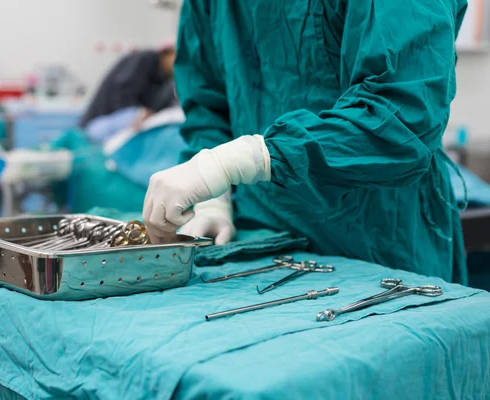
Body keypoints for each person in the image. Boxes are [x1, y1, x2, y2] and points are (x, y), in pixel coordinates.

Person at [142, 0, 469, 283]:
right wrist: (214, 198)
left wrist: (244, 160)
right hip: (258, 235)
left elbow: (401, 118)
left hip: (379, 240)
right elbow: (207, 101)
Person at [78, 44, 178, 129]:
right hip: (103, 120)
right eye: (178, 57)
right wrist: (138, 114)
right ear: (167, 53)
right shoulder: (146, 59)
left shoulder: (165, 78)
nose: (179, 64)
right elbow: (121, 92)